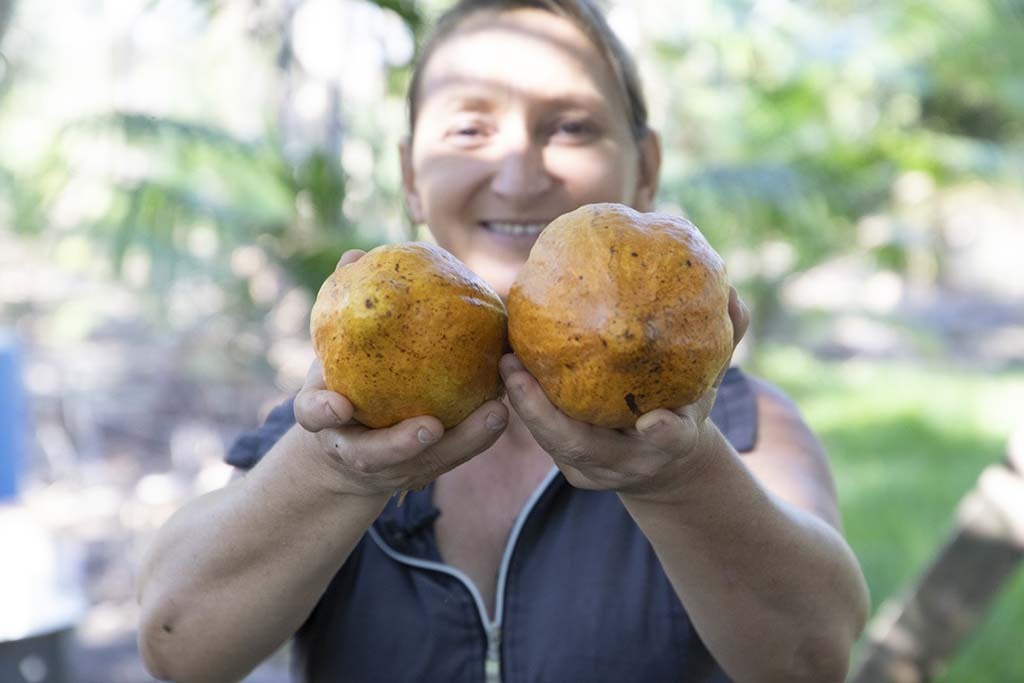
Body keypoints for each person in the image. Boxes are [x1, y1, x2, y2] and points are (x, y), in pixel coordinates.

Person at [136, 1, 871, 681]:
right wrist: (336, 475)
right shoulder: (336, 418)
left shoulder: (741, 424)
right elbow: (176, 642)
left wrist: (678, 478)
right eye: (469, 129)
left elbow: (813, 659)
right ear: (411, 176)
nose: (519, 176)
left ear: (644, 168)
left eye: (572, 127)